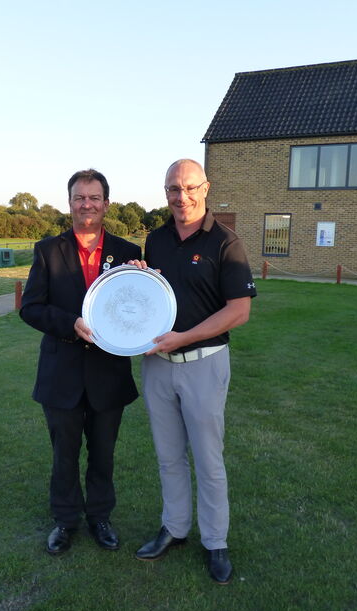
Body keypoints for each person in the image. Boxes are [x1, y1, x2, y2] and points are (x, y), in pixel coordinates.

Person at [133, 159, 256, 584]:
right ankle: (175, 527)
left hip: (203, 365)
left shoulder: (226, 242)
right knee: (168, 457)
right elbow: (156, 299)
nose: (180, 197)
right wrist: (140, 282)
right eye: (172, 189)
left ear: (205, 188)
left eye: (188, 188)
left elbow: (239, 311)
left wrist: (182, 339)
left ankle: (216, 541)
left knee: (207, 459)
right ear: (165, 193)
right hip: (158, 366)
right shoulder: (156, 239)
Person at [20, 169, 142, 555]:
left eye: (94, 197)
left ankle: (100, 518)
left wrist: (144, 283)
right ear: (69, 202)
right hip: (62, 373)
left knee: (103, 453)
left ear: (107, 203)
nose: (86, 204)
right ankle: (65, 520)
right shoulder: (48, 251)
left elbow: (139, 309)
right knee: (64, 455)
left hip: (109, 374)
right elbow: (32, 308)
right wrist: (70, 324)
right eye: (79, 197)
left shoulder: (128, 253)